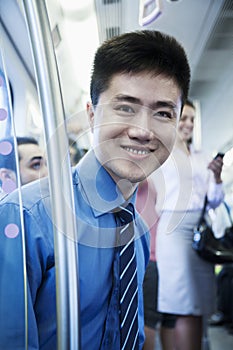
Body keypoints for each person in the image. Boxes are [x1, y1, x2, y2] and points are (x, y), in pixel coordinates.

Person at [0, 30, 191, 349]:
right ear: (91, 114)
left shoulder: (138, 228)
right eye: (126, 107)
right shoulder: (26, 217)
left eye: (163, 113)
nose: (143, 131)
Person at [154, 99, 224, 350]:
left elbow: (214, 201)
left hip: (198, 230)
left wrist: (216, 176)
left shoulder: (202, 156)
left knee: (200, 303)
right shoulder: (160, 152)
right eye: (184, 118)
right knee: (183, 302)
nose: (189, 124)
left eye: (193, 120)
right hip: (173, 229)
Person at [136, 178, 176, 350]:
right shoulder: (147, 183)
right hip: (158, 259)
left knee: (153, 322)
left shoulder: (145, 182)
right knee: (161, 321)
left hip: (154, 260)